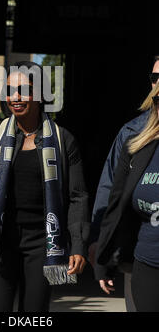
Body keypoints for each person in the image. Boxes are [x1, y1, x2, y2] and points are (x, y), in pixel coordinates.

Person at [0, 61, 90, 312]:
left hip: (42, 243)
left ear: (41, 94)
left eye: (23, 89)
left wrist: (78, 244)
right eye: (10, 90)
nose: (15, 97)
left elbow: (77, 196)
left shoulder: (62, 140)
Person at [89, 56, 159, 311]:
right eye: (154, 77)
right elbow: (111, 190)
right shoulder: (132, 133)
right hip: (142, 255)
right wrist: (100, 239)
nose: (158, 83)